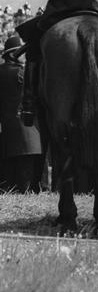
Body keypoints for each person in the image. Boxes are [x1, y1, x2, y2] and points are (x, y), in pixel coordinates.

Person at [0, 36, 43, 192]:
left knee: (10, 179)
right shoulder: (22, 73)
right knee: (26, 179)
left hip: (7, 133)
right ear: (15, 54)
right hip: (28, 130)